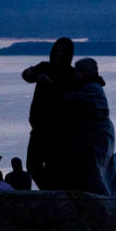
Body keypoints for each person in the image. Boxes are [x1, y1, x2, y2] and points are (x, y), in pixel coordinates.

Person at [60, 58, 116, 197]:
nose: (75, 74)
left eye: (78, 71)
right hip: (100, 133)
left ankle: (107, 203)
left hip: (98, 134)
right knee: (107, 172)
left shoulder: (92, 88)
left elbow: (76, 102)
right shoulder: (90, 87)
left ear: (86, 72)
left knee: (93, 170)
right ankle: (114, 200)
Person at [22, 37, 75, 189]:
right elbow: (26, 75)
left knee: (54, 166)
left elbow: (71, 94)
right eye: (57, 50)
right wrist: (32, 74)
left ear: (68, 54)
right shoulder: (44, 66)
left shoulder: (71, 74)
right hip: (38, 126)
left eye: (63, 51)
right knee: (32, 165)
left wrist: (52, 85)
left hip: (59, 128)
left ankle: (53, 194)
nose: (59, 54)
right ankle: (49, 192)